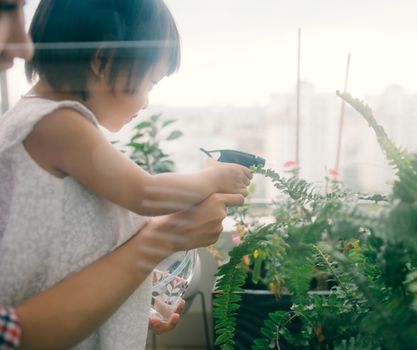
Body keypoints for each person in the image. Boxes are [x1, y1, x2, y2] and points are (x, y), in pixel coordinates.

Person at [0, 0, 249, 349]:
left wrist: (130, 300)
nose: (147, 101)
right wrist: (213, 177)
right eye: (150, 81)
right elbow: (145, 193)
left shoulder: (39, 123)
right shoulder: (56, 122)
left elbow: (73, 254)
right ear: (102, 60)